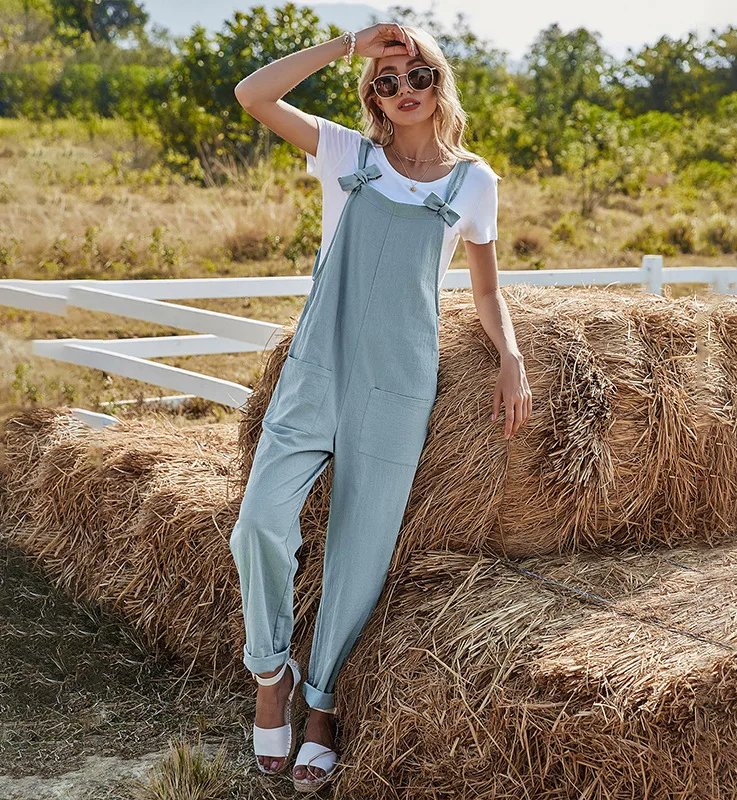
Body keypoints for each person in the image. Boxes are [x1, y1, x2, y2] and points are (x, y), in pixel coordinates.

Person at [229, 22, 532, 792]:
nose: (403, 90)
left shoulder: (473, 183)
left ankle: (323, 704)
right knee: (259, 521)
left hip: (399, 380)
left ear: (439, 81)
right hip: (316, 370)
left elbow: (486, 289)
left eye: (416, 74)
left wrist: (511, 357)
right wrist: (345, 46)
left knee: (361, 550)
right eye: (386, 81)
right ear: (372, 95)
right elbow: (253, 94)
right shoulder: (345, 156)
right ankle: (271, 673)